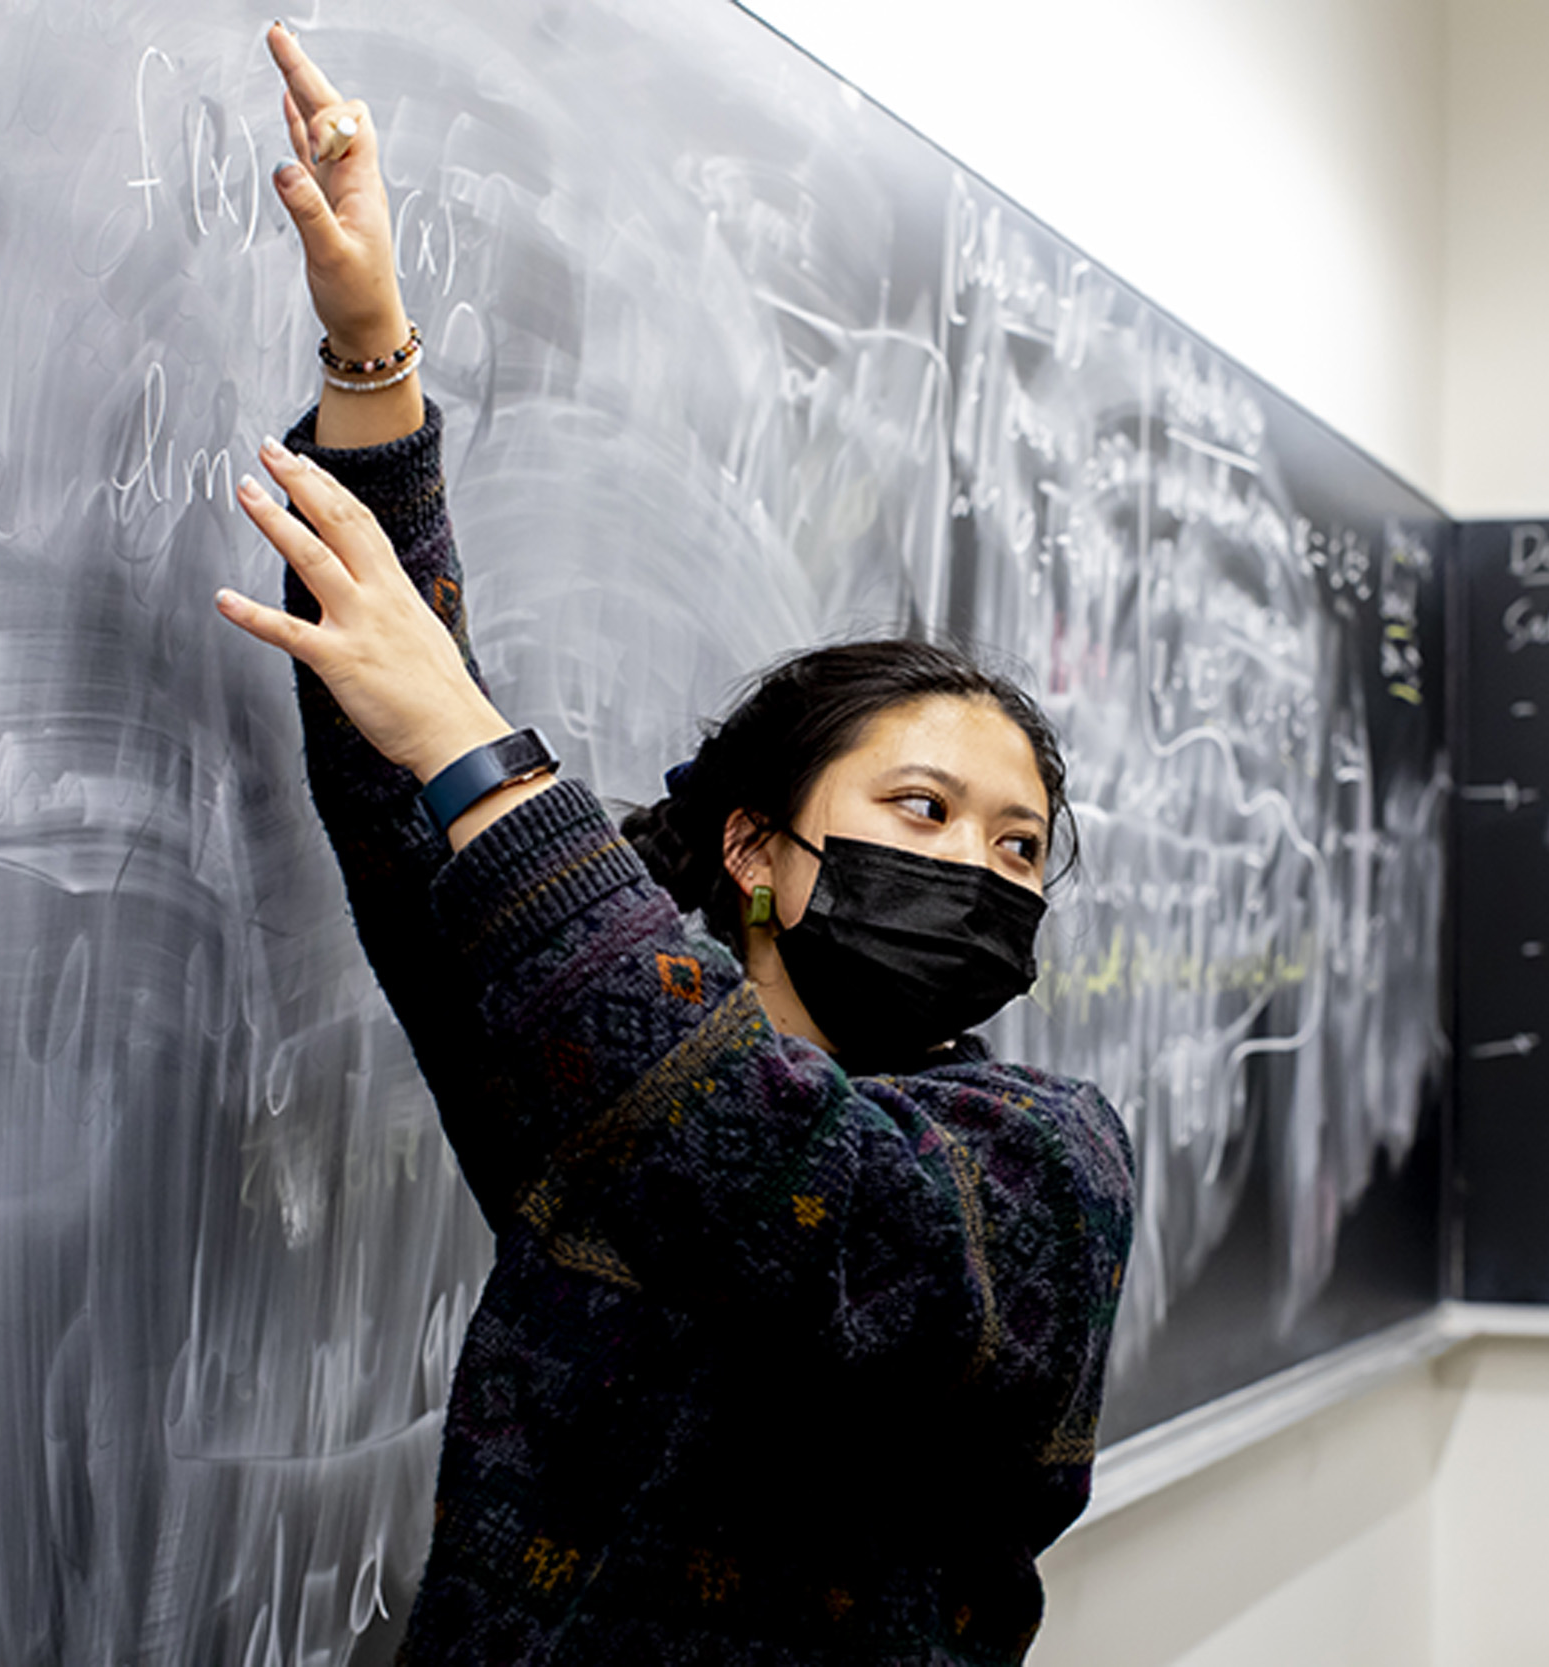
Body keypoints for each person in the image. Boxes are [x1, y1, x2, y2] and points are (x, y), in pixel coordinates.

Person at [214, 25, 1136, 1664]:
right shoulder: (606, 1107)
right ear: (760, 852)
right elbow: (420, 808)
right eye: (922, 813)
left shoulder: (1045, 1164)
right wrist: (373, 360)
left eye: (1017, 848)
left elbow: (789, 1174)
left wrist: (474, 749)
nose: (982, 871)